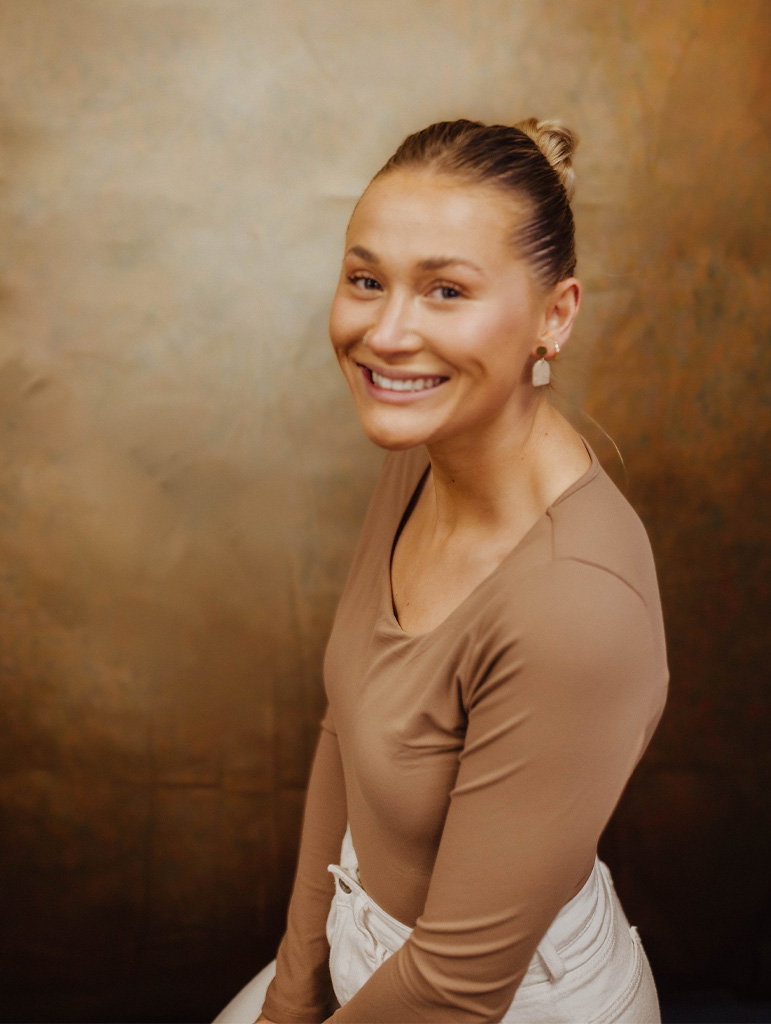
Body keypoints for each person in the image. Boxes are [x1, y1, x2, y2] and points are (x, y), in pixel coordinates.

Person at [214, 117, 667, 1024]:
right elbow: (348, 723)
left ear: (556, 315)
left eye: (445, 291)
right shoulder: (426, 447)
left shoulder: (577, 604)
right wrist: (293, 991)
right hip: (365, 951)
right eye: (366, 280)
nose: (386, 333)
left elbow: (456, 991)